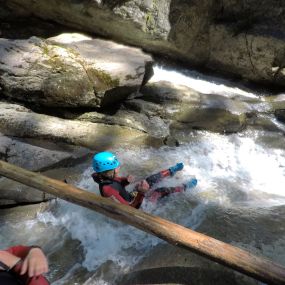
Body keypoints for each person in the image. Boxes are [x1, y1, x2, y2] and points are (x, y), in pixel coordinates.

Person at [91, 151, 197, 209]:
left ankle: (171, 171)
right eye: (116, 167)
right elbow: (130, 210)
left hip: (131, 197)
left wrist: (126, 181)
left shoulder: (103, 176)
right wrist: (141, 193)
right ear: (109, 171)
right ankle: (185, 187)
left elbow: (118, 185)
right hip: (139, 207)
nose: (119, 168)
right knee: (159, 191)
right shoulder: (107, 190)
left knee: (150, 180)